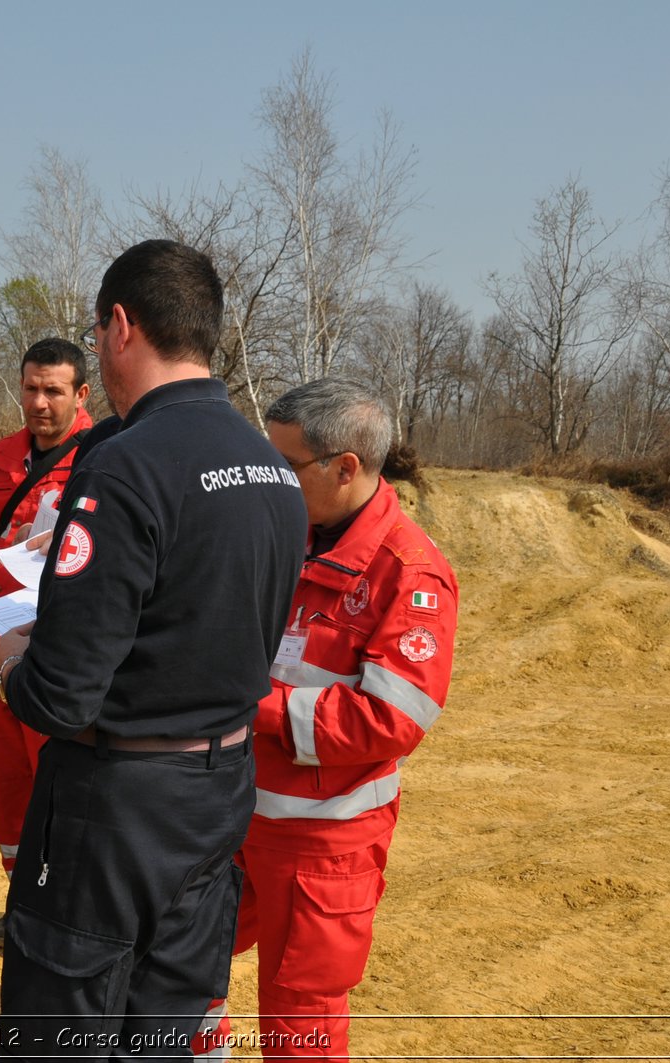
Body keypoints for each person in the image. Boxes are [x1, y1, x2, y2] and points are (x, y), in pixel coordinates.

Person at [0, 240, 308, 1054]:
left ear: (121, 326)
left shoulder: (127, 467)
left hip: (114, 803)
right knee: (163, 1031)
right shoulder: (272, 469)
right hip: (219, 789)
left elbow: (63, 691)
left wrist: (14, 666)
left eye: (98, 333)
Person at [198, 379, 458, 1062]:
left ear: (346, 468)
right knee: (184, 964)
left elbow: (390, 716)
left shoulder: (410, 572)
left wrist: (257, 706)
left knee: (300, 1019)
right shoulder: (286, 533)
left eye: (286, 466)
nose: (272, 480)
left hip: (322, 843)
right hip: (232, 811)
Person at [0, 338, 92, 949]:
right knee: (6, 776)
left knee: (61, 779)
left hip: (59, 648)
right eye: (30, 389)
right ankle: (22, 902)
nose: (39, 403)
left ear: (82, 394)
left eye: (54, 391)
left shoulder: (108, 457)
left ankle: (60, 911)